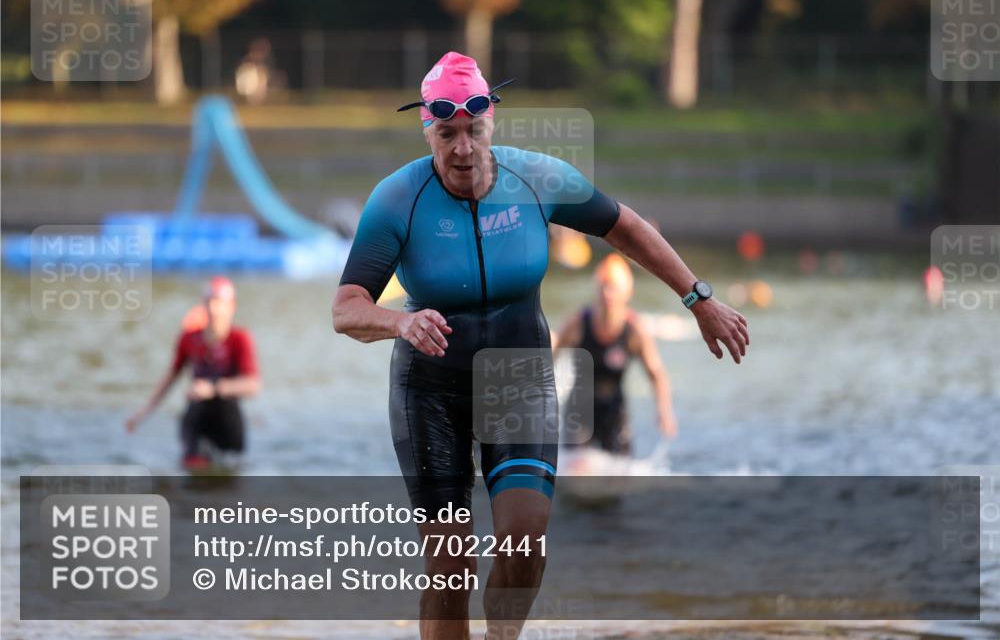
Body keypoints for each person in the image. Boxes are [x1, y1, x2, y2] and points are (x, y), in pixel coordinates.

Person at [332, 51, 748, 640]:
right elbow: (345, 309)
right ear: (427, 129)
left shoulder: (538, 179)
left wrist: (699, 299)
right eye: (446, 134)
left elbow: (625, 226)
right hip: (430, 389)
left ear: (491, 122)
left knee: (525, 539)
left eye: (473, 131)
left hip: (517, 377)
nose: (461, 150)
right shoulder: (398, 199)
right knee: (451, 564)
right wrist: (398, 323)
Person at [125, 276, 260, 469]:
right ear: (203, 305)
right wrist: (142, 414)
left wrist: (213, 388)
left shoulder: (240, 339)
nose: (214, 309)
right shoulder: (189, 338)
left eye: (220, 302)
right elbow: (170, 377)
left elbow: (253, 385)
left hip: (228, 418)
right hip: (197, 416)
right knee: (192, 470)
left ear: (231, 306)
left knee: (231, 472)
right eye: (210, 301)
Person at [554, 253, 677, 455]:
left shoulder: (635, 330)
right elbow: (552, 359)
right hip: (580, 410)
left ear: (628, 292)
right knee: (575, 474)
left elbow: (656, 374)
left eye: (613, 288)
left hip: (615, 408)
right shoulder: (578, 323)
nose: (607, 294)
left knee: (621, 475)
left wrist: (664, 411)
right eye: (603, 287)